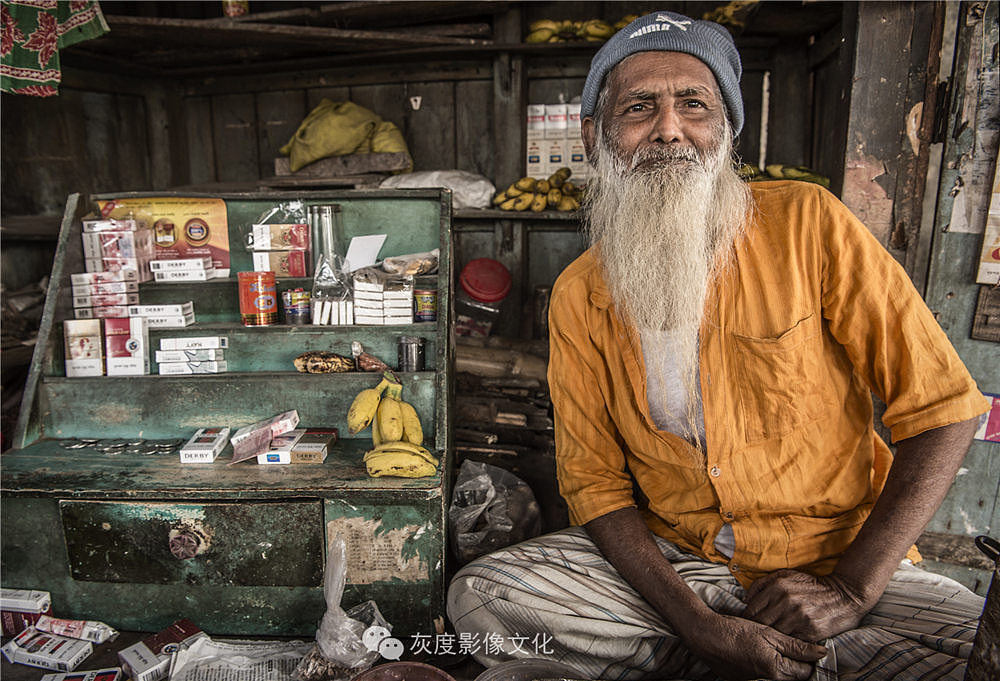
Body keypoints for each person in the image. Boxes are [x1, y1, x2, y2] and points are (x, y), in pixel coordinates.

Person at [447, 10, 991, 681]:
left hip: (834, 561)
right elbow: (594, 484)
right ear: (595, 137)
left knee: (980, 644)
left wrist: (851, 590)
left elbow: (945, 407)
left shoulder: (809, 224)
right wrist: (698, 621)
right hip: (684, 566)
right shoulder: (579, 293)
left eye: (694, 104)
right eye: (640, 106)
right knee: (481, 598)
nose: (669, 128)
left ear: (727, 128)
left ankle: (756, 655)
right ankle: (740, 652)